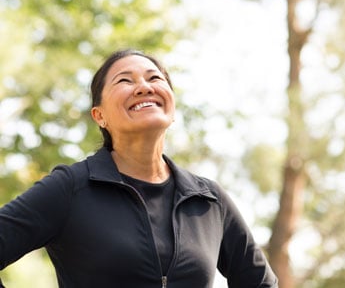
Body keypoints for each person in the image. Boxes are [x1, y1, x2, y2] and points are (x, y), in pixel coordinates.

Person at [0, 49, 278, 287]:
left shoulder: (209, 200)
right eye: (124, 80)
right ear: (100, 115)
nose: (145, 87)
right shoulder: (71, 188)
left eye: (155, 78)